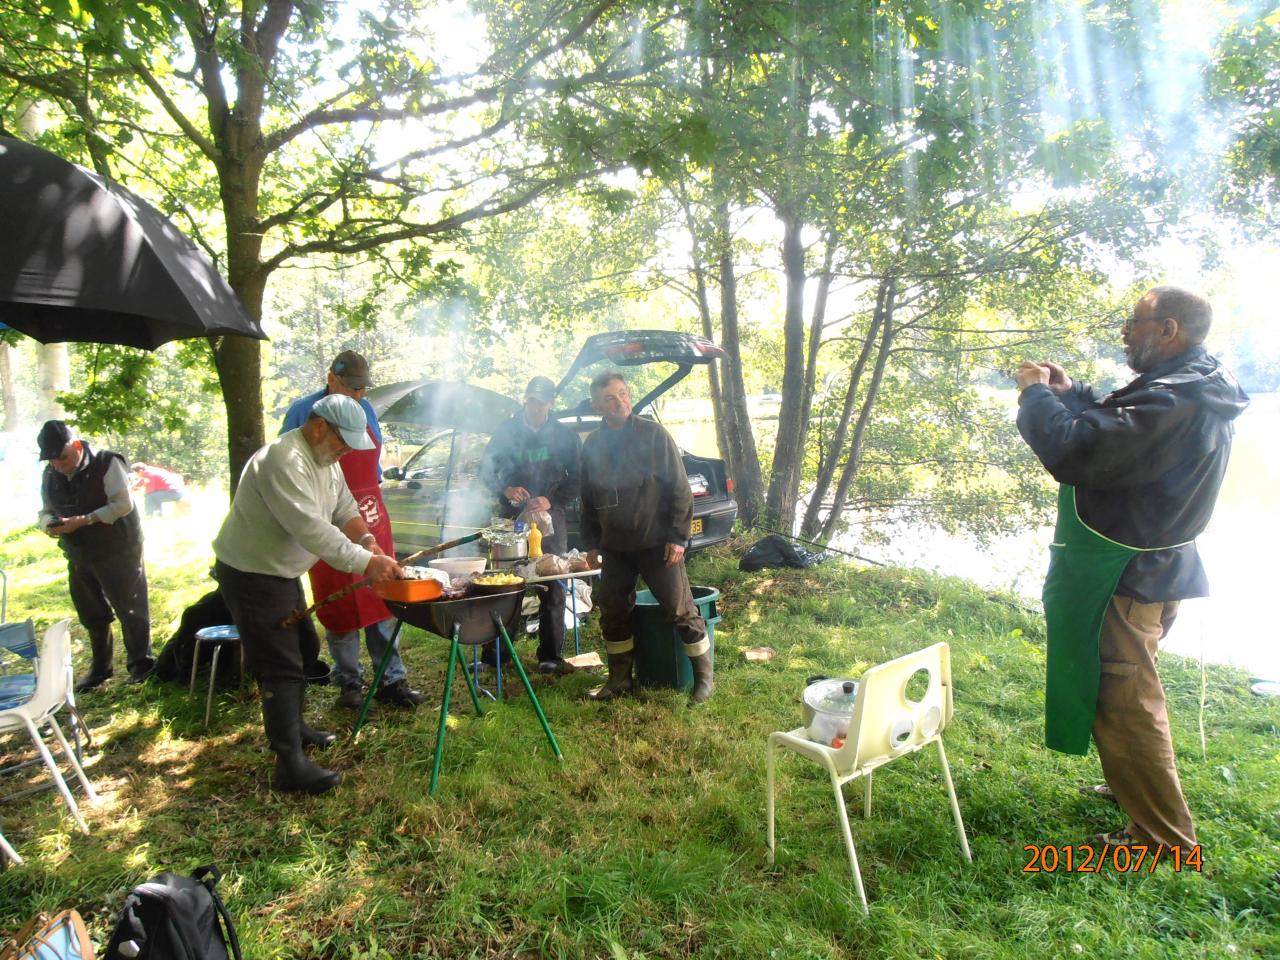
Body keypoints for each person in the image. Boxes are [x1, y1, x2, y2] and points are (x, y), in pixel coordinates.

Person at [1015, 285, 1248, 851]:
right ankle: (1132, 790)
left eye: (1134, 322)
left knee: (1126, 698)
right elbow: (1119, 427)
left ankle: (1162, 838)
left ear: (1168, 330)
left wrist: (1037, 397)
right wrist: (1074, 393)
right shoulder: (1194, 382)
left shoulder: (1173, 398)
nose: (1125, 331)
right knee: (1123, 689)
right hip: (1152, 563)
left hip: (1125, 573)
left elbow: (1076, 452)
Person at [213, 394, 403, 795]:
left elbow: (344, 507)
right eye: (343, 441)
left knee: (301, 646)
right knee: (280, 663)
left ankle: (295, 728)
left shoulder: (324, 461)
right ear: (320, 427)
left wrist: (368, 540)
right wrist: (367, 564)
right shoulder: (285, 460)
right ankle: (289, 763)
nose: (346, 450)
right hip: (252, 574)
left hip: (279, 573)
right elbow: (313, 530)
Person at [281, 350, 425, 710]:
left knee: (384, 597)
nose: (359, 396)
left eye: (363, 389)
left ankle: (391, 680)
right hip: (326, 517)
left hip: (369, 512)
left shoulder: (368, 409)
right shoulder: (304, 412)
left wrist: (367, 529)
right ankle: (350, 683)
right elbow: (291, 470)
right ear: (332, 378)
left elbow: (370, 465)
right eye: (352, 388)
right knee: (340, 605)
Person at [578, 370, 713, 703]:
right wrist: (592, 543)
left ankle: (704, 681)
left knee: (681, 610)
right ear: (597, 405)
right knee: (612, 612)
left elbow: (681, 490)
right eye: (610, 397)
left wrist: (678, 538)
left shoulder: (654, 435)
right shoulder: (593, 444)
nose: (620, 401)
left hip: (657, 544)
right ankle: (620, 680)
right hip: (615, 548)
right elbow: (587, 499)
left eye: (623, 393)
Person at [37, 420, 153, 690]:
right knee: (91, 610)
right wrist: (48, 525)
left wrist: (86, 519)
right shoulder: (50, 473)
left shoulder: (107, 463)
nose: (58, 465)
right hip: (78, 551)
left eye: (62, 457)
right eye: (52, 460)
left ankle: (141, 665)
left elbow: (123, 504)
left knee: (131, 606)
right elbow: (44, 510)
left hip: (118, 547)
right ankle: (101, 668)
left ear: (76, 446)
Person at [479, 375, 581, 673]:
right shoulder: (506, 432)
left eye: (542, 402)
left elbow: (578, 478)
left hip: (550, 521)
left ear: (551, 402)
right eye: (531, 401)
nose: (536, 407)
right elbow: (487, 471)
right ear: (526, 399)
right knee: (507, 585)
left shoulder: (564, 435)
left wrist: (551, 499)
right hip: (512, 521)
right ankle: (497, 655)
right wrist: (506, 489)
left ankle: (550, 655)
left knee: (553, 584)